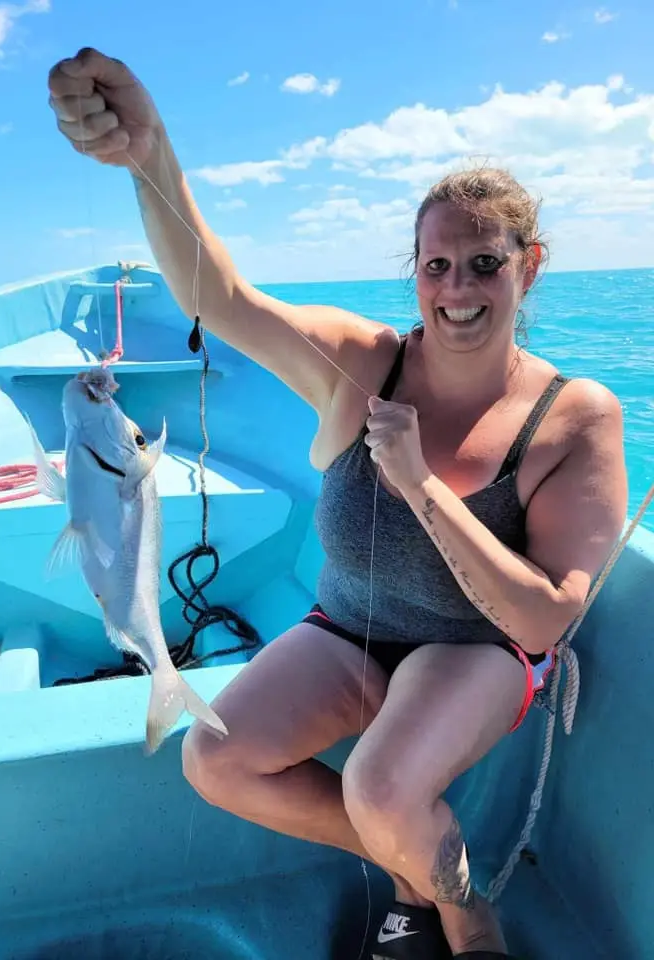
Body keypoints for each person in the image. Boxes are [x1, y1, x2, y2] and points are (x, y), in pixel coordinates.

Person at [48, 48, 628, 959]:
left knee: (381, 785)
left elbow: (544, 621)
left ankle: (471, 919)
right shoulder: (363, 362)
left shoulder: (575, 416)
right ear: (415, 271)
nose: (459, 289)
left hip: (475, 649)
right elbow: (220, 297)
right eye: (437, 265)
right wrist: (150, 155)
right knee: (217, 758)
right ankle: (413, 874)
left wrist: (422, 486)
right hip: (350, 625)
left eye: (484, 263)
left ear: (530, 265)